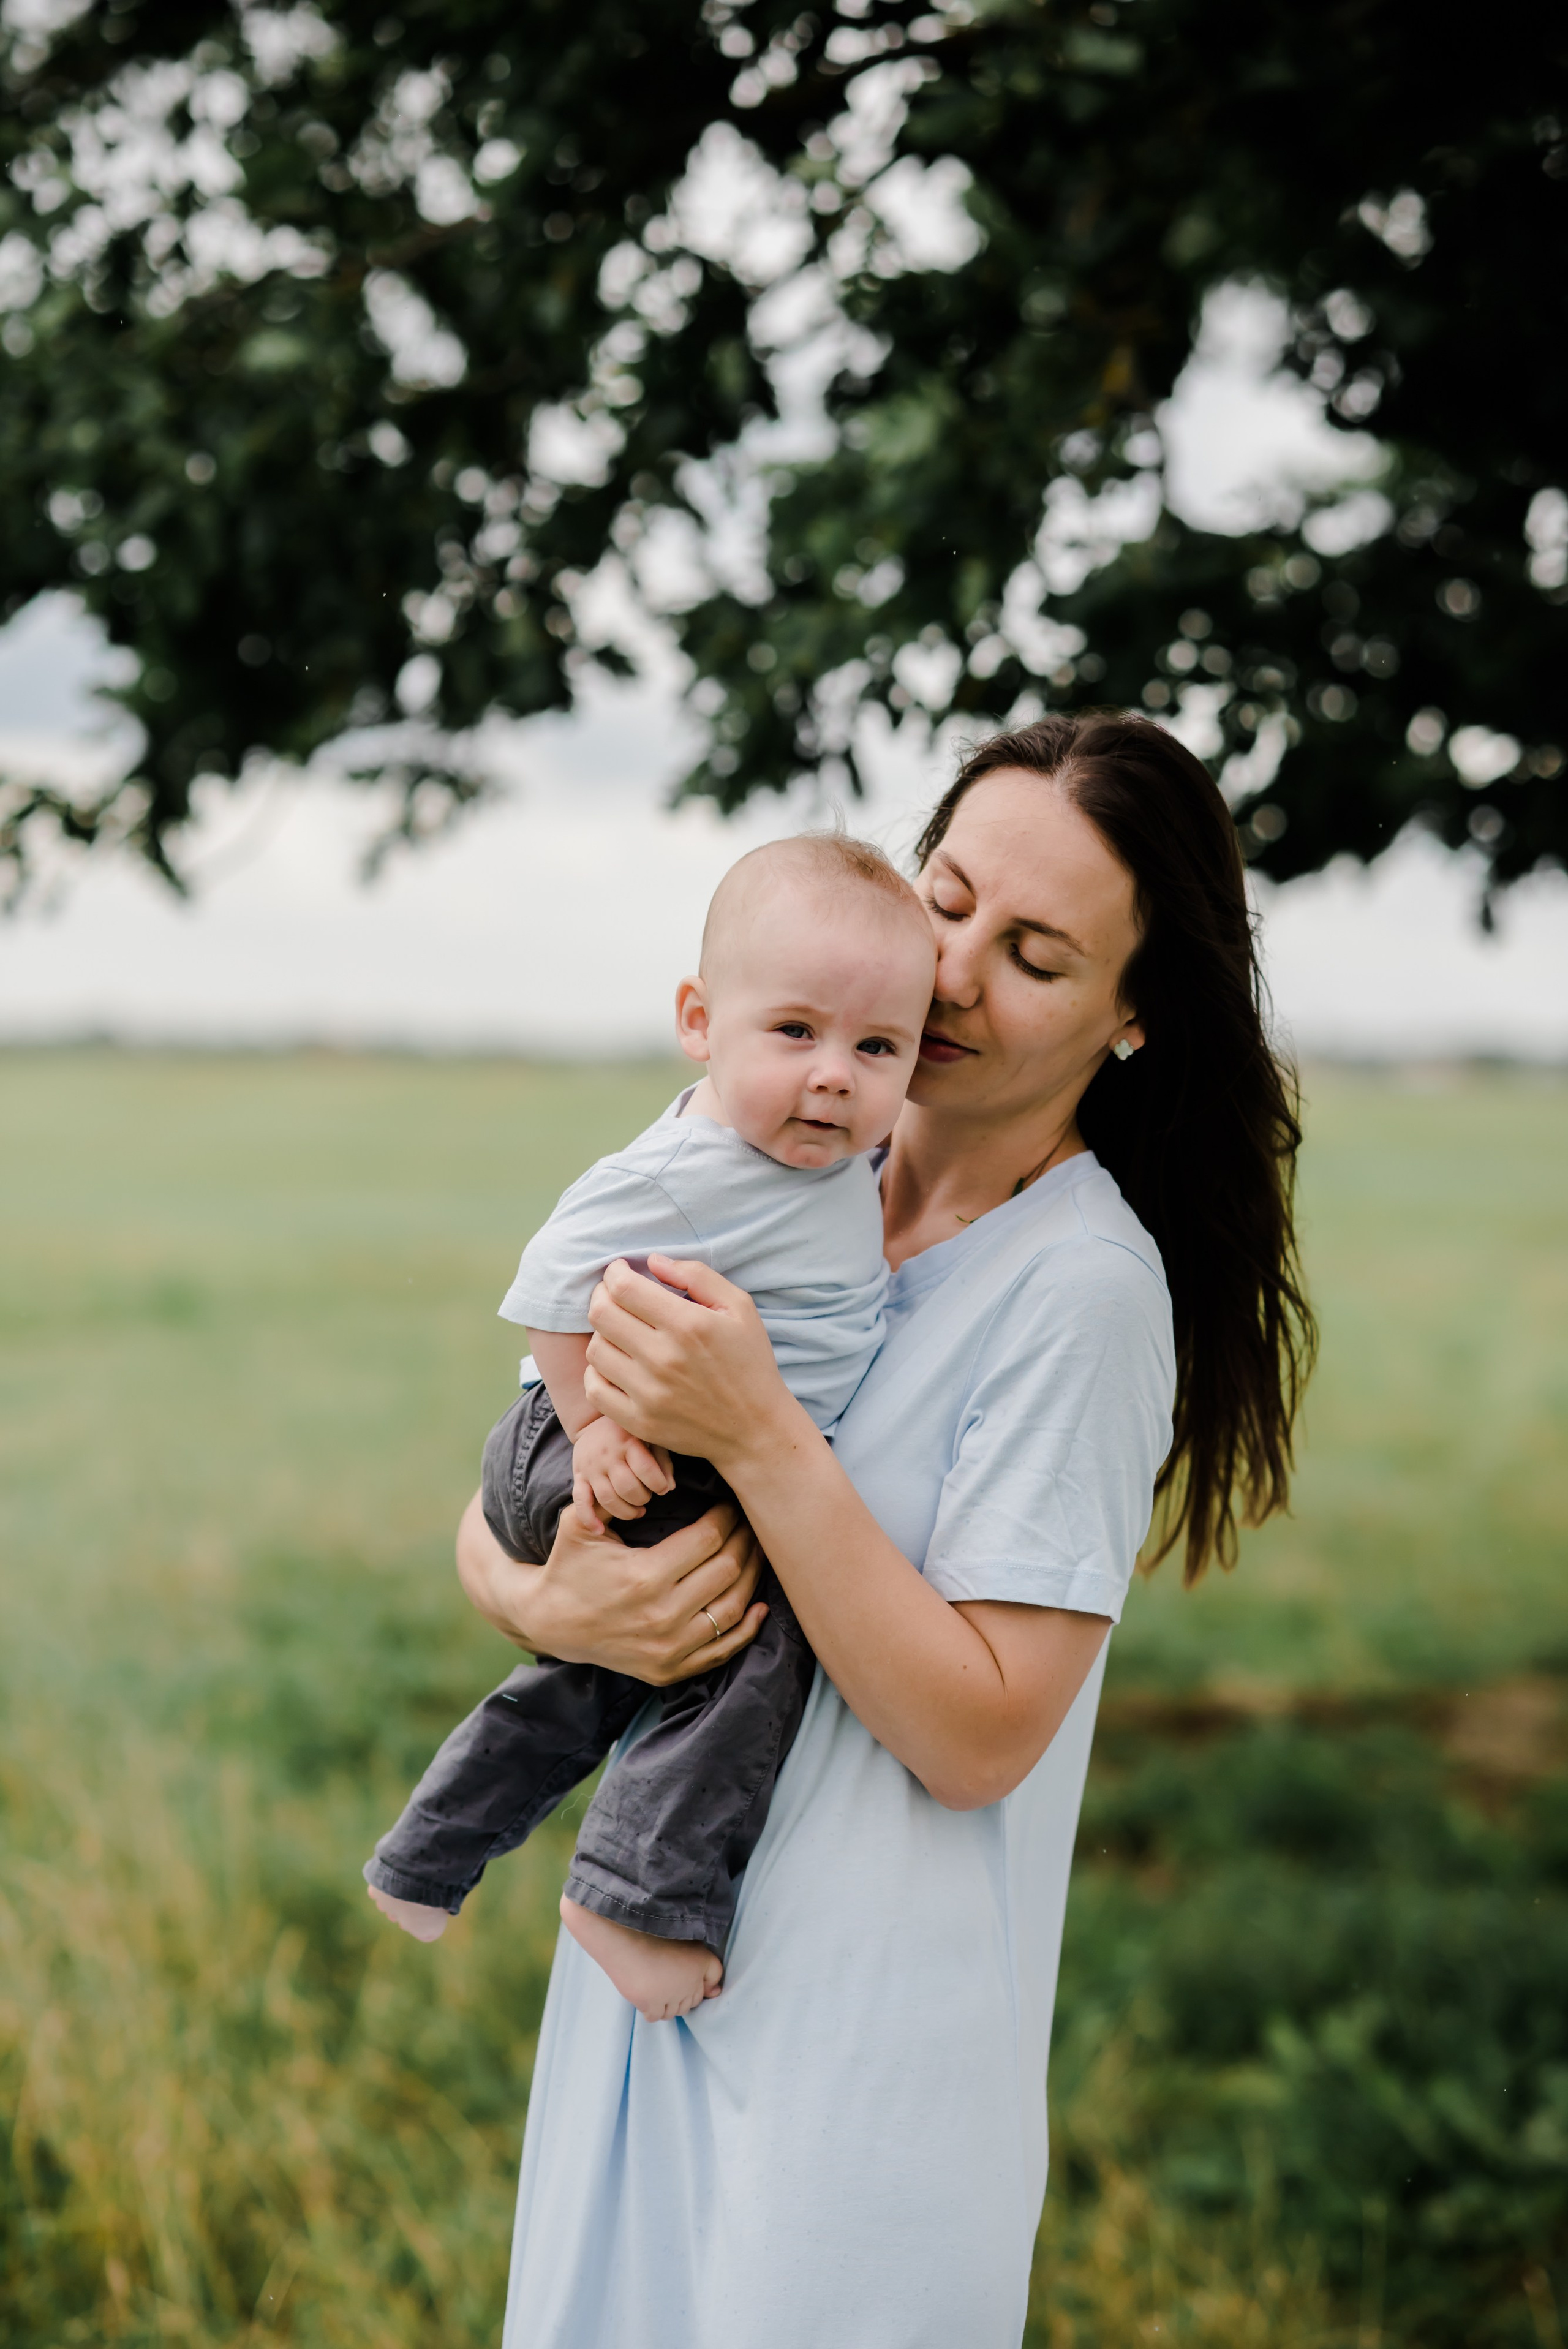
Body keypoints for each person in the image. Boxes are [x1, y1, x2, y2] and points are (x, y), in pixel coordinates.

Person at [453, 712, 1316, 2348]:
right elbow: (514, 1491)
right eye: (949, 899)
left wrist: (761, 1432)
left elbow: (984, 1732)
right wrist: (556, 1602)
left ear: (1132, 1017)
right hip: (644, 1969)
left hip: (859, 2072)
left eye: (1038, 954)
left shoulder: (1081, 1291)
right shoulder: (764, 1139)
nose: (961, 971)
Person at [363, 835, 936, 2020]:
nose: (835, 1075)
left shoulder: (835, 1156)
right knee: (761, 1631)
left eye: (878, 1048)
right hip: (579, 1441)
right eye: (795, 1033)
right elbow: (548, 1281)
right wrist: (597, 1426)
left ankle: (426, 1860)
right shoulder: (693, 1164)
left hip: (649, 1443)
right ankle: (638, 1895)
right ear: (699, 1019)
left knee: (607, 1669)